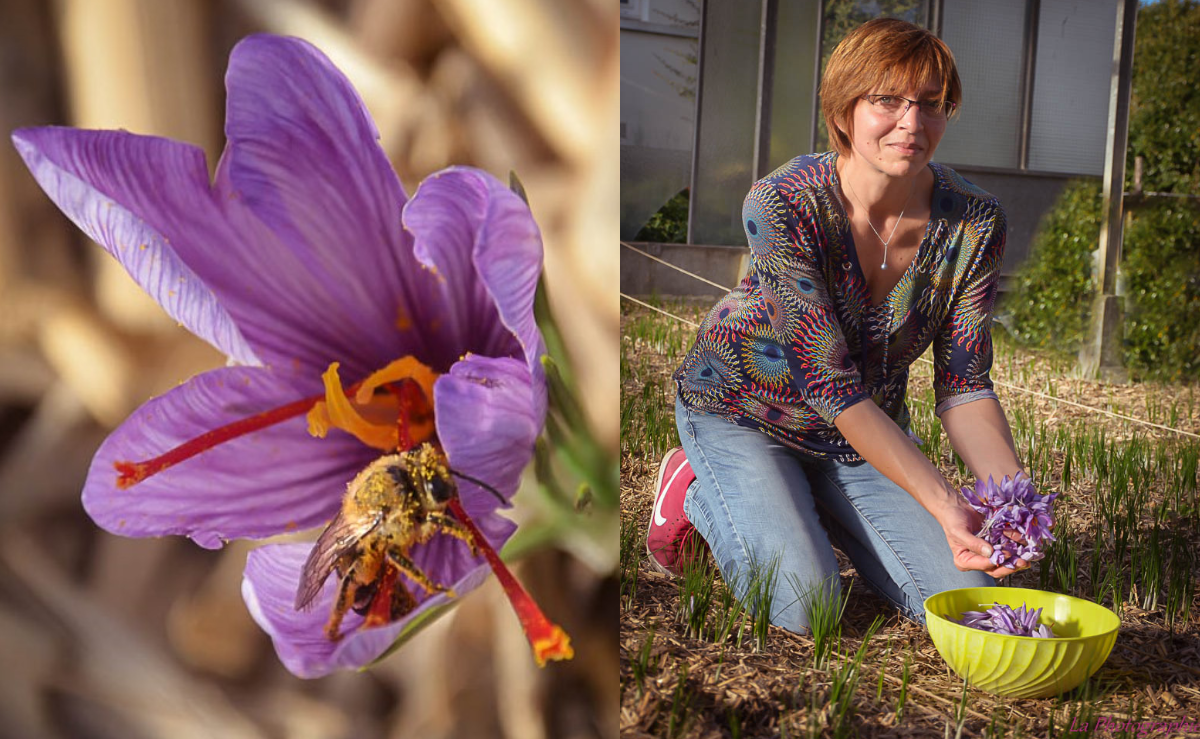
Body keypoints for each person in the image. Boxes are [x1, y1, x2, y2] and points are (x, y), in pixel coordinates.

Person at [646, 18, 1030, 633]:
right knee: (806, 609)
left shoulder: (975, 222)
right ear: (843, 109)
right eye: (887, 101)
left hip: (862, 441)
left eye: (932, 105)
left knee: (976, 608)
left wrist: (1014, 498)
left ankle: (806, 499)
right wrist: (944, 502)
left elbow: (965, 385)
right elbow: (830, 385)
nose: (913, 123)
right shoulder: (784, 203)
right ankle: (694, 486)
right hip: (746, 414)